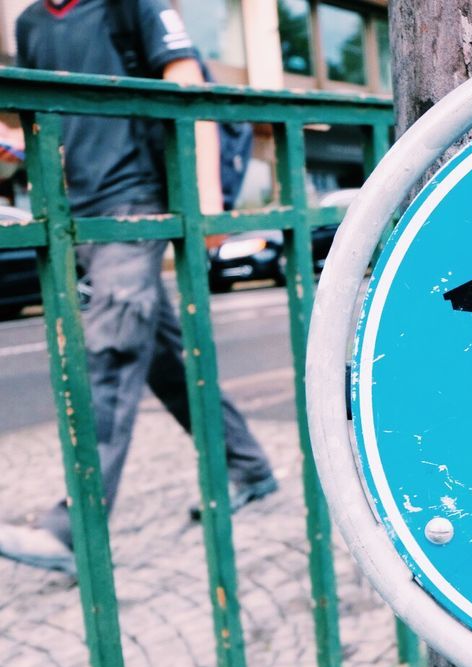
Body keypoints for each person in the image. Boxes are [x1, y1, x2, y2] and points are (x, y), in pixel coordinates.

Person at [0, 0, 277, 576]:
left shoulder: (130, 4)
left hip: (136, 202)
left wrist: (206, 204)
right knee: (164, 357)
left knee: (110, 351)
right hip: (76, 210)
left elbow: (187, 88)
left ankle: (74, 526)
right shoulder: (29, 24)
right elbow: (41, 119)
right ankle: (248, 467)